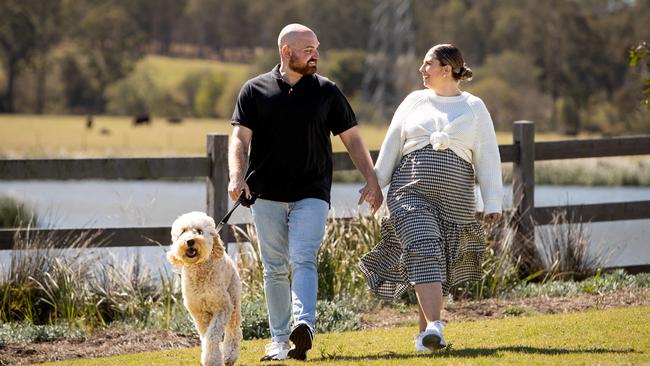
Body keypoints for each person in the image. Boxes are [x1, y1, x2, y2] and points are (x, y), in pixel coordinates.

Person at [228, 23, 383, 361]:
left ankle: (305, 326)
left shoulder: (327, 91)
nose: (316, 55)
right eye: (308, 49)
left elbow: (353, 139)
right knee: (273, 267)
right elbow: (239, 140)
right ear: (286, 51)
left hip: (311, 193)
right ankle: (280, 341)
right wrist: (236, 177)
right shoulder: (254, 90)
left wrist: (372, 180)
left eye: (317, 48)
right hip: (265, 194)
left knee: (302, 258)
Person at [359, 44, 503, 352]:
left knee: (434, 261)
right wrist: (376, 183)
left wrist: (493, 203)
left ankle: (425, 337)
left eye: (428, 64)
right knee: (423, 246)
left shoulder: (474, 107)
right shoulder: (413, 101)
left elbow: (488, 157)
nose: (421, 70)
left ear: (446, 70)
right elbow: (391, 146)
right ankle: (437, 324)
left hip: (456, 201)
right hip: (408, 193)